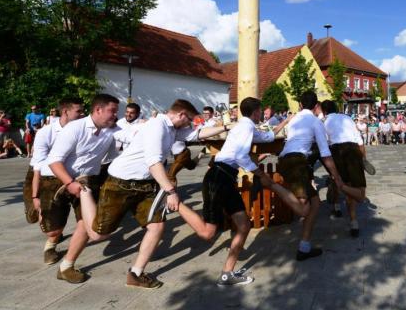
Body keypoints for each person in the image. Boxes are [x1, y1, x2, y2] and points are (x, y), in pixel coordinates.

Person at [75, 100, 227, 288]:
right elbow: (154, 163)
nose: (190, 124)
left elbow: (197, 134)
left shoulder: (172, 128)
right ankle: (85, 189)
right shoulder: (158, 127)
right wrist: (170, 191)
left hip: (145, 184)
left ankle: (136, 274)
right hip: (120, 183)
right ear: (180, 115)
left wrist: (226, 127)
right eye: (189, 120)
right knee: (98, 235)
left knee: (156, 227)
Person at [175, 97, 307, 286]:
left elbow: (267, 137)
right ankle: (174, 203)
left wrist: (286, 121)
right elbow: (240, 156)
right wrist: (260, 174)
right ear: (255, 112)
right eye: (260, 112)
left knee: (244, 225)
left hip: (227, 179)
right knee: (207, 233)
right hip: (218, 178)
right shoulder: (245, 127)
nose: (261, 114)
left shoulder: (247, 126)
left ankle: (227, 273)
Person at [43, 94, 121, 283]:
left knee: (86, 224)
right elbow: (54, 161)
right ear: (98, 110)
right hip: (57, 180)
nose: (115, 115)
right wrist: (70, 183)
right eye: (112, 111)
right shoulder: (75, 128)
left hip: (87, 182)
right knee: (54, 230)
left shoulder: (113, 131)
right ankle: (51, 243)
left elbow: (114, 158)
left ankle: (66, 266)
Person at [277, 91, 346, 261]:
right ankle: (270, 185)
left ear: (300, 105)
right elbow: (325, 153)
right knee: (304, 208)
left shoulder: (294, 120)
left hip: (286, 160)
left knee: (315, 203)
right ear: (316, 106)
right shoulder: (316, 122)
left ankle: (304, 247)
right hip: (297, 163)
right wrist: (336, 176)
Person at [23, 97, 85, 264]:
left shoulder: (82, 128)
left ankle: (51, 245)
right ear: (65, 112)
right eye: (78, 111)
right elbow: (38, 167)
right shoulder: (46, 132)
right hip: (42, 174)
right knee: (38, 217)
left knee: (76, 219)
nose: (83, 114)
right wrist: (36, 197)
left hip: (70, 176)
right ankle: (52, 232)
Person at [322, 100, 370, 238]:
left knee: (339, 181)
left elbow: (325, 145)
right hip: (354, 150)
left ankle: (337, 206)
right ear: (336, 108)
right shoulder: (347, 118)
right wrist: (364, 159)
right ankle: (354, 222)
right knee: (355, 187)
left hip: (337, 151)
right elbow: (360, 141)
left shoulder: (324, 122)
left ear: (324, 111)